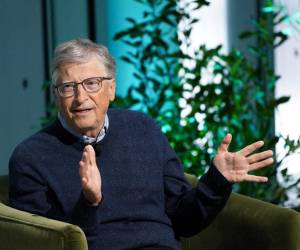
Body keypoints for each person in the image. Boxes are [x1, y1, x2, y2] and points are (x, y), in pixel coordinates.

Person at [9, 38, 273, 250]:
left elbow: (185, 220)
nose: (81, 97)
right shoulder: (31, 157)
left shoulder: (143, 129)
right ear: (57, 95)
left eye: (92, 83)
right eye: (68, 86)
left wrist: (218, 179)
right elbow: (46, 244)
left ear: (111, 89)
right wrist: (89, 202)